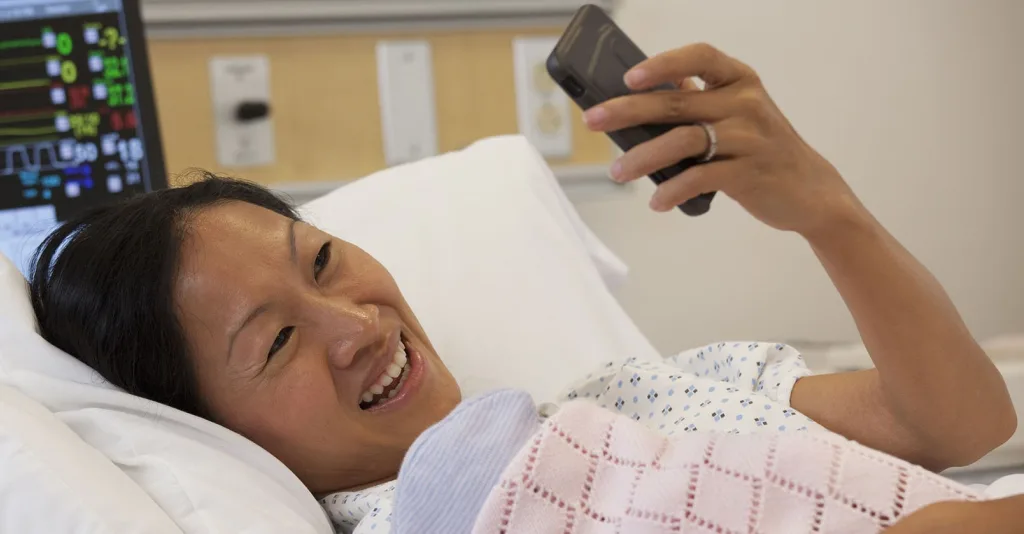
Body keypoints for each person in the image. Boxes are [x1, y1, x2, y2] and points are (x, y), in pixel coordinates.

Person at [29, 43, 1020, 533]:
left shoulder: (621, 393)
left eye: (322, 262)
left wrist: (824, 211)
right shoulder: (423, 520)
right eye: (277, 343)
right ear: (216, 429)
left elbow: (954, 426)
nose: (353, 325)